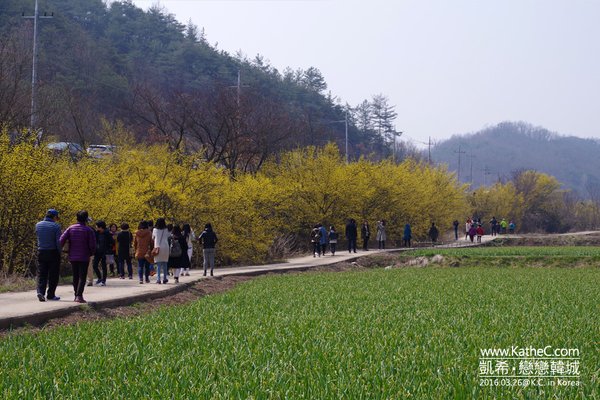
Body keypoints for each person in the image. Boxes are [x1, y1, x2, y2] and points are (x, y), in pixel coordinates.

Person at [60, 210, 96, 303]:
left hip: (73, 256)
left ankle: (76, 294)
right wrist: (91, 253)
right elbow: (92, 245)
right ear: (86, 219)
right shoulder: (89, 230)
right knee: (82, 276)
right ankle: (79, 296)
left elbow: (61, 240)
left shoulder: (71, 228)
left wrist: (61, 250)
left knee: (75, 276)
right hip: (84, 256)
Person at [35, 209, 62, 302]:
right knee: (53, 275)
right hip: (53, 252)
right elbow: (58, 242)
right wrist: (60, 252)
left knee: (42, 273)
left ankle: (40, 292)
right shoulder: (56, 226)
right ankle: (51, 294)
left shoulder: (38, 225)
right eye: (56, 218)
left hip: (41, 251)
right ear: (54, 217)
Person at [93, 220, 113, 286]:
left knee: (104, 266)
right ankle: (99, 278)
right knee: (94, 265)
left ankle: (103, 281)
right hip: (97, 252)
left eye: (97, 226)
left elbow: (112, 242)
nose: (96, 227)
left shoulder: (108, 233)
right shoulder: (97, 233)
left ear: (101, 227)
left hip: (105, 252)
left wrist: (108, 249)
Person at [152, 218, 170, 284]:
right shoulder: (166, 229)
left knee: (158, 265)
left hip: (157, 247)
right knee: (165, 264)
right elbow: (168, 236)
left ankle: (158, 279)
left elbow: (152, 238)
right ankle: (165, 278)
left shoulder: (155, 229)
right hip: (165, 247)